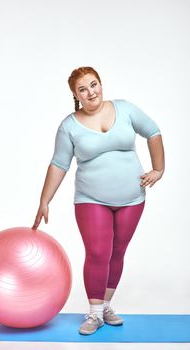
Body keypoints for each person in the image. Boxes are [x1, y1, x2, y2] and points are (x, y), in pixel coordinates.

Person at [32, 66, 165, 335]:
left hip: (132, 199)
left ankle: (105, 306)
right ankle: (94, 314)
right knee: (98, 252)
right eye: (83, 89)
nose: (91, 92)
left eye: (94, 84)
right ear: (75, 95)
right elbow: (59, 164)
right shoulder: (69, 125)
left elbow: (153, 131)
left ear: (101, 84)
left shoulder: (125, 109)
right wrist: (44, 200)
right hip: (90, 198)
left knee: (117, 251)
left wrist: (158, 169)